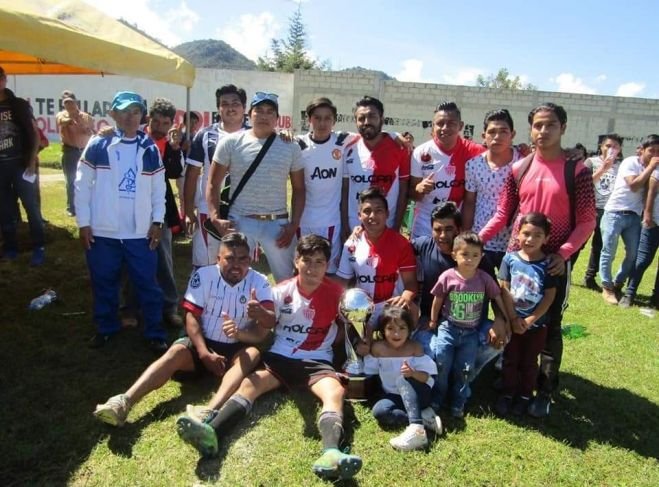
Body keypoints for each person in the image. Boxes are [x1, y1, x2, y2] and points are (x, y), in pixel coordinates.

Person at [175, 235, 363, 481]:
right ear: (296, 261)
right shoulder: (280, 291)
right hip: (281, 358)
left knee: (335, 393)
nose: (312, 268)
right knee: (249, 384)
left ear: (327, 265)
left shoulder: (338, 294)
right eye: (307, 260)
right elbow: (264, 325)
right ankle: (212, 432)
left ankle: (331, 453)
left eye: (319, 262)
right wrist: (257, 315)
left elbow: (349, 328)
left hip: (317, 360)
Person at [479, 102, 596, 417]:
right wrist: (478, 238)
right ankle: (510, 380)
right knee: (511, 319)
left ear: (563, 128)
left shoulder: (578, 171)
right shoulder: (519, 168)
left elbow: (587, 221)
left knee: (549, 326)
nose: (544, 131)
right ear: (530, 129)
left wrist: (562, 254)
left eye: (551, 125)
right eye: (538, 125)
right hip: (517, 264)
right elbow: (504, 213)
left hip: (553, 265)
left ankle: (544, 390)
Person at [93, 232, 274, 432]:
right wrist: (204, 353)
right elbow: (191, 318)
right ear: (218, 259)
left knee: (252, 354)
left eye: (242, 259)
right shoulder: (204, 276)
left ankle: (209, 410)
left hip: (236, 348)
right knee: (175, 352)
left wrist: (261, 313)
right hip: (201, 343)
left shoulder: (260, 282)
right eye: (229, 259)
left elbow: (264, 329)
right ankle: (123, 402)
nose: (236, 265)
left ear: (250, 259)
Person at [75, 90, 168, 352]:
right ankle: (106, 328)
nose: (130, 117)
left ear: (142, 116)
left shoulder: (149, 148)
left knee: (148, 285)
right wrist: (84, 222)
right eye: (124, 111)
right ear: (113, 114)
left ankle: (155, 332)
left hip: (140, 232)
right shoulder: (97, 144)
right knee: (104, 282)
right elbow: (81, 186)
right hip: (103, 231)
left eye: (135, 112)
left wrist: (157, 222)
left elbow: (158, 190)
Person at [206, 91, 304, 282]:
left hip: (278, 224)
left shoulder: (290, 146)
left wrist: (294, 224)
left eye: (270, 112)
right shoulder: (231, 142)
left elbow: (299, 189)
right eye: (259, 110)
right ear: (249, 114)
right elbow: (213, 183)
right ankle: (232, 312)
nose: (264, 116)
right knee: (233, 276)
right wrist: (215, 218)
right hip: (240, 221)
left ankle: (283, 312)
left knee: (287, 281)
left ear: (277, 118)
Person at [428, 232, 508, 418]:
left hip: (470, 333)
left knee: (465, 369)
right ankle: (438, 398)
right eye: (465, 254)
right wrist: (433, 320)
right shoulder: (447, 277)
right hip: (448, 329)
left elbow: (497, 296)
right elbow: (437, 300)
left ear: (481, 257)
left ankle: (458, 401)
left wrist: (504, 317)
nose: (470, 260)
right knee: (441, 364)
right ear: (454, 255)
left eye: (475, 255)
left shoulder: (484, 279)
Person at [495, 213, 557, 416]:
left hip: (536, 327)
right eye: (526, 234)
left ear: (546, 239)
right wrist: (512, 319)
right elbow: (503, 288)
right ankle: (506, 393)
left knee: (530, 363)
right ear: (517, 234)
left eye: (537, 235)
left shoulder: (548, 265)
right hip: (512, 323)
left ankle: (524, 396)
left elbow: (549, 297)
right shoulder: (509, 259)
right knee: (510, 359)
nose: (530, 239)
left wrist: (530, 320)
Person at [335, 187, 417, 330]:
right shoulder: (351, 243)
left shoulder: (401, 243)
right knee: (346, 339)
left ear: (387, 214)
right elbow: (343, 282)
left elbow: (411, 284)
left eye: (378, 210)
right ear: (359, 216)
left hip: (391, 309)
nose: (372, 216)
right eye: (367, 211)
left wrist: (405, 298)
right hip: (360, 308)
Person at [185, 85, 248, 268]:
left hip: (243, 213)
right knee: (205, 265)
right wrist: (189, 211)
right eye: (224, 104)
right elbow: (192, 175)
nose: (230, 108)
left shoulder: (255, 135)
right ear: (218, 108)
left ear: (244, 108)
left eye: (235, 103)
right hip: (208, 212)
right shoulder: (205, 135)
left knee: (238, 266)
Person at [364, 306, 441, 452]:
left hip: (419, 393)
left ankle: (417, 430)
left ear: (409, 330)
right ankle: (424, 417)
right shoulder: (378, 348)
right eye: (390, 328)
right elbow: (370, 371)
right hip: (393, 395)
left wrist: (412, 374)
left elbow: (427, 377)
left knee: (402, 379)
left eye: (402, 328)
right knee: (380, 412)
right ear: (382, 331)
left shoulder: (415, 348)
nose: (396, 333)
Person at [408, 101, 485, 239]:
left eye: (451, 123)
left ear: (460, 126)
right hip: (425, 228)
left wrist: (520, 150)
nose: (445, 128)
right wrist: (419, 189)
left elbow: (499, 156)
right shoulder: (420, 152)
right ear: (433, 125)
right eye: (440, 123)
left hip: (457, 229)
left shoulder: (476, 152)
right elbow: (412, 193)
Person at [599, 134, 659, 305]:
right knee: (608, 251)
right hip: (615, 212)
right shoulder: (631, 162)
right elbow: (633, 185)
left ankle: (618, 283)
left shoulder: (655, 169)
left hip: (634, 216)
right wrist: (651, 168)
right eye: (651, 151)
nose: (655, 155)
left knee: (633, 254)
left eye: (658, 152)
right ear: (642, 150)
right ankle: (607, 287)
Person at [341, 96, 410, 238]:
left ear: (382, 119)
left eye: (372, 116)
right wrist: (345, 225)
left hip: (387, 226)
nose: (366, 122)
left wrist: (396, 226)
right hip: (355, 227)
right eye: (361, 118)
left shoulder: (400, 148)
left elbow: (404, 191)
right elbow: (345, 190)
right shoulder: (347, 148)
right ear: (355, 122)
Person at [297, 97, 351, 273]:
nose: (322, 123)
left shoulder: (343, 141)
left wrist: (396, 136)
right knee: (303, 268)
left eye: (327, 118)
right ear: (309, 119)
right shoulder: (297, 144)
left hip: (330, 222)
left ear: (334, 121)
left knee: (326, 270)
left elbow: (373, 134)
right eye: (317, 118)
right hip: (303, 220)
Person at [462, 109, 520, 271]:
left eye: (503, 132)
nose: (497, 137)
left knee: (506, 294)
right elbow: (469, 202)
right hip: (481, 240)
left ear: (512, 134)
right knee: (477, 292)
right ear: (483, 136)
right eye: (492, 132)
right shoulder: (473, 165)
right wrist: (467, 237)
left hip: (513, 243)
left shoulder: (522, 165)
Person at [0, 65, 44, 265]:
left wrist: (32, 161)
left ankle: (39, 247)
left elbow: (35, 135)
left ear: (5, 79)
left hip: (21, 165)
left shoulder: (18, 105)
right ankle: (10, 248)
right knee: (5, 210)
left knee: (31, 208)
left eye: (0, 77)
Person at [582, 134, 623, 291]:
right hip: (588, 207)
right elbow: (584, 183)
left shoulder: (621, 166)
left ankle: (590, 277)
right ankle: (566, 271)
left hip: (608, 211)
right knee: (579, 243)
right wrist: (603, 168)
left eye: (615, 147)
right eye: (608, 146)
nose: (611, 149)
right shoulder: (591, 162)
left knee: (599, 245)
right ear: (601, 146)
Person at [620, 163, 659, 308]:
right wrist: (648, 215)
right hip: (654, 223)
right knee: (642, 260)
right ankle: (629, 294)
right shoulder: (657, 171)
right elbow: (651, 192)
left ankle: (656, 298)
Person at [55, 90, 94, 217]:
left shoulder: (86, 117)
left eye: (71, 102)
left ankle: (87, 205)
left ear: (76, 102)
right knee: (71, 180)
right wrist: (71, 118)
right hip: (69, 151)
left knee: (87, 180)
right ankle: (72, 207)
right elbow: (62, 121)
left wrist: (89, 131)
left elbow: (93, 132)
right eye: (66, 103)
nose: (69, 105)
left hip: (84, 152)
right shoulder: (61, 115)